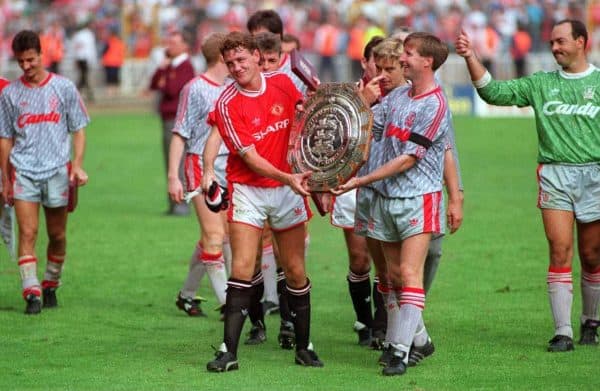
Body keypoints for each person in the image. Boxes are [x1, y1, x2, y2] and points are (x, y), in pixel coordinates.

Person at [456, 19, 600, 351]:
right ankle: (562, 331)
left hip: (594, 175)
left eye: (561, 41)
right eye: (552, 43)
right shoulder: (540, 83)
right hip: (555, 175)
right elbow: (493, 92)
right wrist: (470, 56)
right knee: (559, 249)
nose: (555, 48)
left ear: (582, 41)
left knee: (592, 255)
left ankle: (590, 322)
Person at [203, 31, 322, 372]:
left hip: (289, 190)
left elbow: (311, 117)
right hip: (249, 190)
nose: (237, 67)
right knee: (242, 267)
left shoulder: (285, 83)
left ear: (257, 56)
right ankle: (228, 352)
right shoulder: (226, 103)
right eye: (230, 63)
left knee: (296, 270)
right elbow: (250, 158)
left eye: (242, 59)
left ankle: (304, 346)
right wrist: (289, 178)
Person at [335, 32, 451, 376]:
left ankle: (399, 350)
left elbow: (407, 160)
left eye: (409, 54)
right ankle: (419, 339)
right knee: (393, 275)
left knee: (409, 273)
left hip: (417, 197)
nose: (403, 60)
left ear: (426, 61)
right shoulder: (398, 95)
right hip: (384, 198)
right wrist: (360, 102)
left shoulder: (435, 104)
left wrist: (360, 180)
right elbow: (365, 133)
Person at [0, 30, 90, 315]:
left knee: (57, 235)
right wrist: (6, 178)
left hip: (57, 172)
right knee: (28, 231)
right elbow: (5, 138)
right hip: (23, 171)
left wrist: (77, 164)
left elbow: (79, 128)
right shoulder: (10, 94)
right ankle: (32, 292)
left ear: (41, 55)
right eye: (20, 62)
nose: (26, 66)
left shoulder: (63, 88)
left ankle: (51, 282)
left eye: (30, 60)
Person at [167, 33, 230, 318]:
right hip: (199, 167)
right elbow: (180, 133)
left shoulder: (233, 87)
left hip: (230, 169)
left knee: (218, 237)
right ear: (222, 56)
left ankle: (187, 295)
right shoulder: (194, 88)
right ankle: (231, 306)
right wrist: (173, 176)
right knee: (215, 236)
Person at [150, 30, 196, 216]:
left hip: (177, 119)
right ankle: (174, 203)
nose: (169, 46)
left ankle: (181, 204)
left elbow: (172, 89)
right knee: (171, 161)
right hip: (168, 118)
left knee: (178, 161)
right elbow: (154, 84)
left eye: (174, 43)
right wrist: (163, 70)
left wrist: (165, 77)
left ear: (185, 46)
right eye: (169, 42)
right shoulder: (171, 66)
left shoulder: (184, 66)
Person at [72, 22, 97, 102]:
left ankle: (77, 93)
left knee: (83, 77)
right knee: (84, 77)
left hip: (80, 58)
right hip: (85, 58)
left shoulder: (78, 35)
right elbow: (90, 48)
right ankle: (87, 95)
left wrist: (75, 58)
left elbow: (76, 47)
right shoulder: (89, 34)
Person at [100, 27, 126, 97]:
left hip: (109, 62)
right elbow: (122, 52)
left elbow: (103, 52)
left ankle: (110, 92)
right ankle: (115, 91)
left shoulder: (109, 42)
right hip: (117, 62)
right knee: (115, 77)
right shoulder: (120, 42)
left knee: (109, 77)